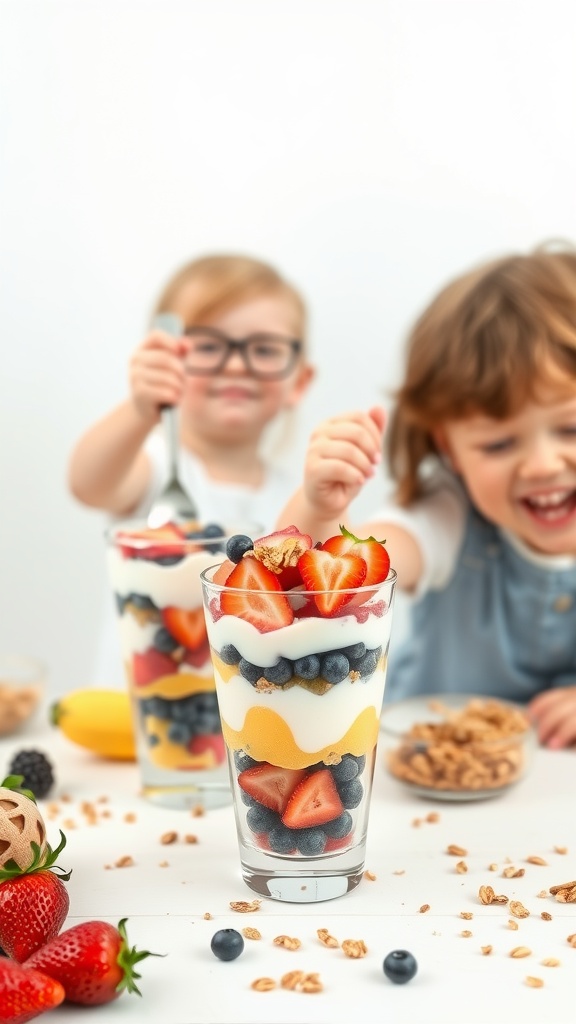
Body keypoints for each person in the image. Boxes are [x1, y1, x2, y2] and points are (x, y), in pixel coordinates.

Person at [278, 244, 576, 749]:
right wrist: (322, 509)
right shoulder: (448, 513)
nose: (544, 464)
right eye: (499, 443)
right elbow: (337, 578)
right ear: (450, 449)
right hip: (421, 783)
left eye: (569, 428)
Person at [69, 253, 315, 684]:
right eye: (207, 346)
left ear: (299, 382)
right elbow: (90, 483)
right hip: (136, 723)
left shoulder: (299, 496)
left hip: (248, 729)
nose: (236, 364)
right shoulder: (157, 468)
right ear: (167, 364)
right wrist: (141, 409)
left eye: (264, 349)